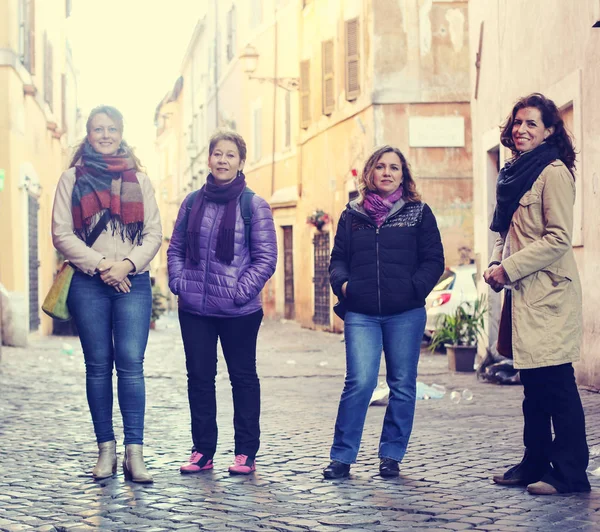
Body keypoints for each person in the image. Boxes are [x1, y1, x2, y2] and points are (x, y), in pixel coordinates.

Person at [485, 93, 590, 495]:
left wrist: (507, 268)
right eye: (518, 123)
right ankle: (534, 462)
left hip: (550, 294)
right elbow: (507, 232)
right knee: (533, 387)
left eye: (532, 123)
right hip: (523, 292)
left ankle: (569, 474)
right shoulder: (513, 172)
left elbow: (559, 238)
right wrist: (497, 263)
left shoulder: (554, 171)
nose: (522, 129)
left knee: (557, 385)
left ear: (549, 130)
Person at [52, 105, 162, 483]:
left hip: (133, 281)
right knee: (98, 365)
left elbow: (153, 233)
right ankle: (106, 451)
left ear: (120, 133)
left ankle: (135, 455)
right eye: (97, 129)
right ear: (88, 134)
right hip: (88, 283)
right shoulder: (71, 178)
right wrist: (102, 265)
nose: (104, 135)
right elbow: (62, 234)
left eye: (111, 129)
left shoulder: (139, 180)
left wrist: (126, 266)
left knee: (131, 363)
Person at [323, 145, 444, 479]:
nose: (387, 173)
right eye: (380, 167)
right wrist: (345, 287)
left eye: (394, 167)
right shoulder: (352, 215)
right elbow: (338, 260)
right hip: (361, 313)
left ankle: (391, 455)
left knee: (402, 384)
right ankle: (342, 458)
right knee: (360, 382)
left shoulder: (418, 212)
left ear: (403, 174)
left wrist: (413, 288)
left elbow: (433, 259)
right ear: (370, 173)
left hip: (405, 312)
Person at [167, 130, 277, 475]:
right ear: (209, 159)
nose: (223, 160)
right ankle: (202, 451)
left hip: (239, 311)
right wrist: (179, 283)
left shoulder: (253, 204)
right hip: (195, 309)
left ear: (241, 162)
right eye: (218, 154)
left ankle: (245, 452)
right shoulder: (191, 202)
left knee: (243, 378)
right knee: (199, 378)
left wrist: (238, 292)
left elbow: (266, 258)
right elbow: (175, 249)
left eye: (230, 155)